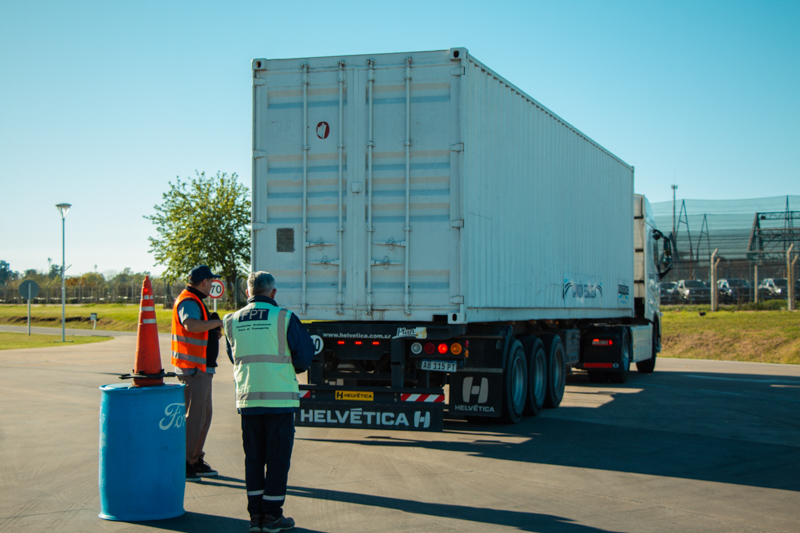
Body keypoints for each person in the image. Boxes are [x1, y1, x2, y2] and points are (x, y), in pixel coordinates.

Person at [223, 271, 314, 533]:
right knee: (277, 459)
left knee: (253, 458)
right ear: (272, 293)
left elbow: (234, 356)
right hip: (279, 399)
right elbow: (304, 356)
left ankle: (256, 518)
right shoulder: (284, 317)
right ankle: (272, 516)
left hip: (249, 400)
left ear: (248, 293)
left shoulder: (231, 321)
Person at [171, 265, 224, 482]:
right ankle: (184, 462)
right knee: (195, 417)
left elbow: (199, 329)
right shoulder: (189, 301)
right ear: (204, 282)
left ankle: (194, 459)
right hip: (193, 369)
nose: (212, 285)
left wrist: (213, 331)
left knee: (203, 416)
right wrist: (220, 322)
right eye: (211, 281)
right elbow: (191, 325)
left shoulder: (195, 301)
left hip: (200, 368)